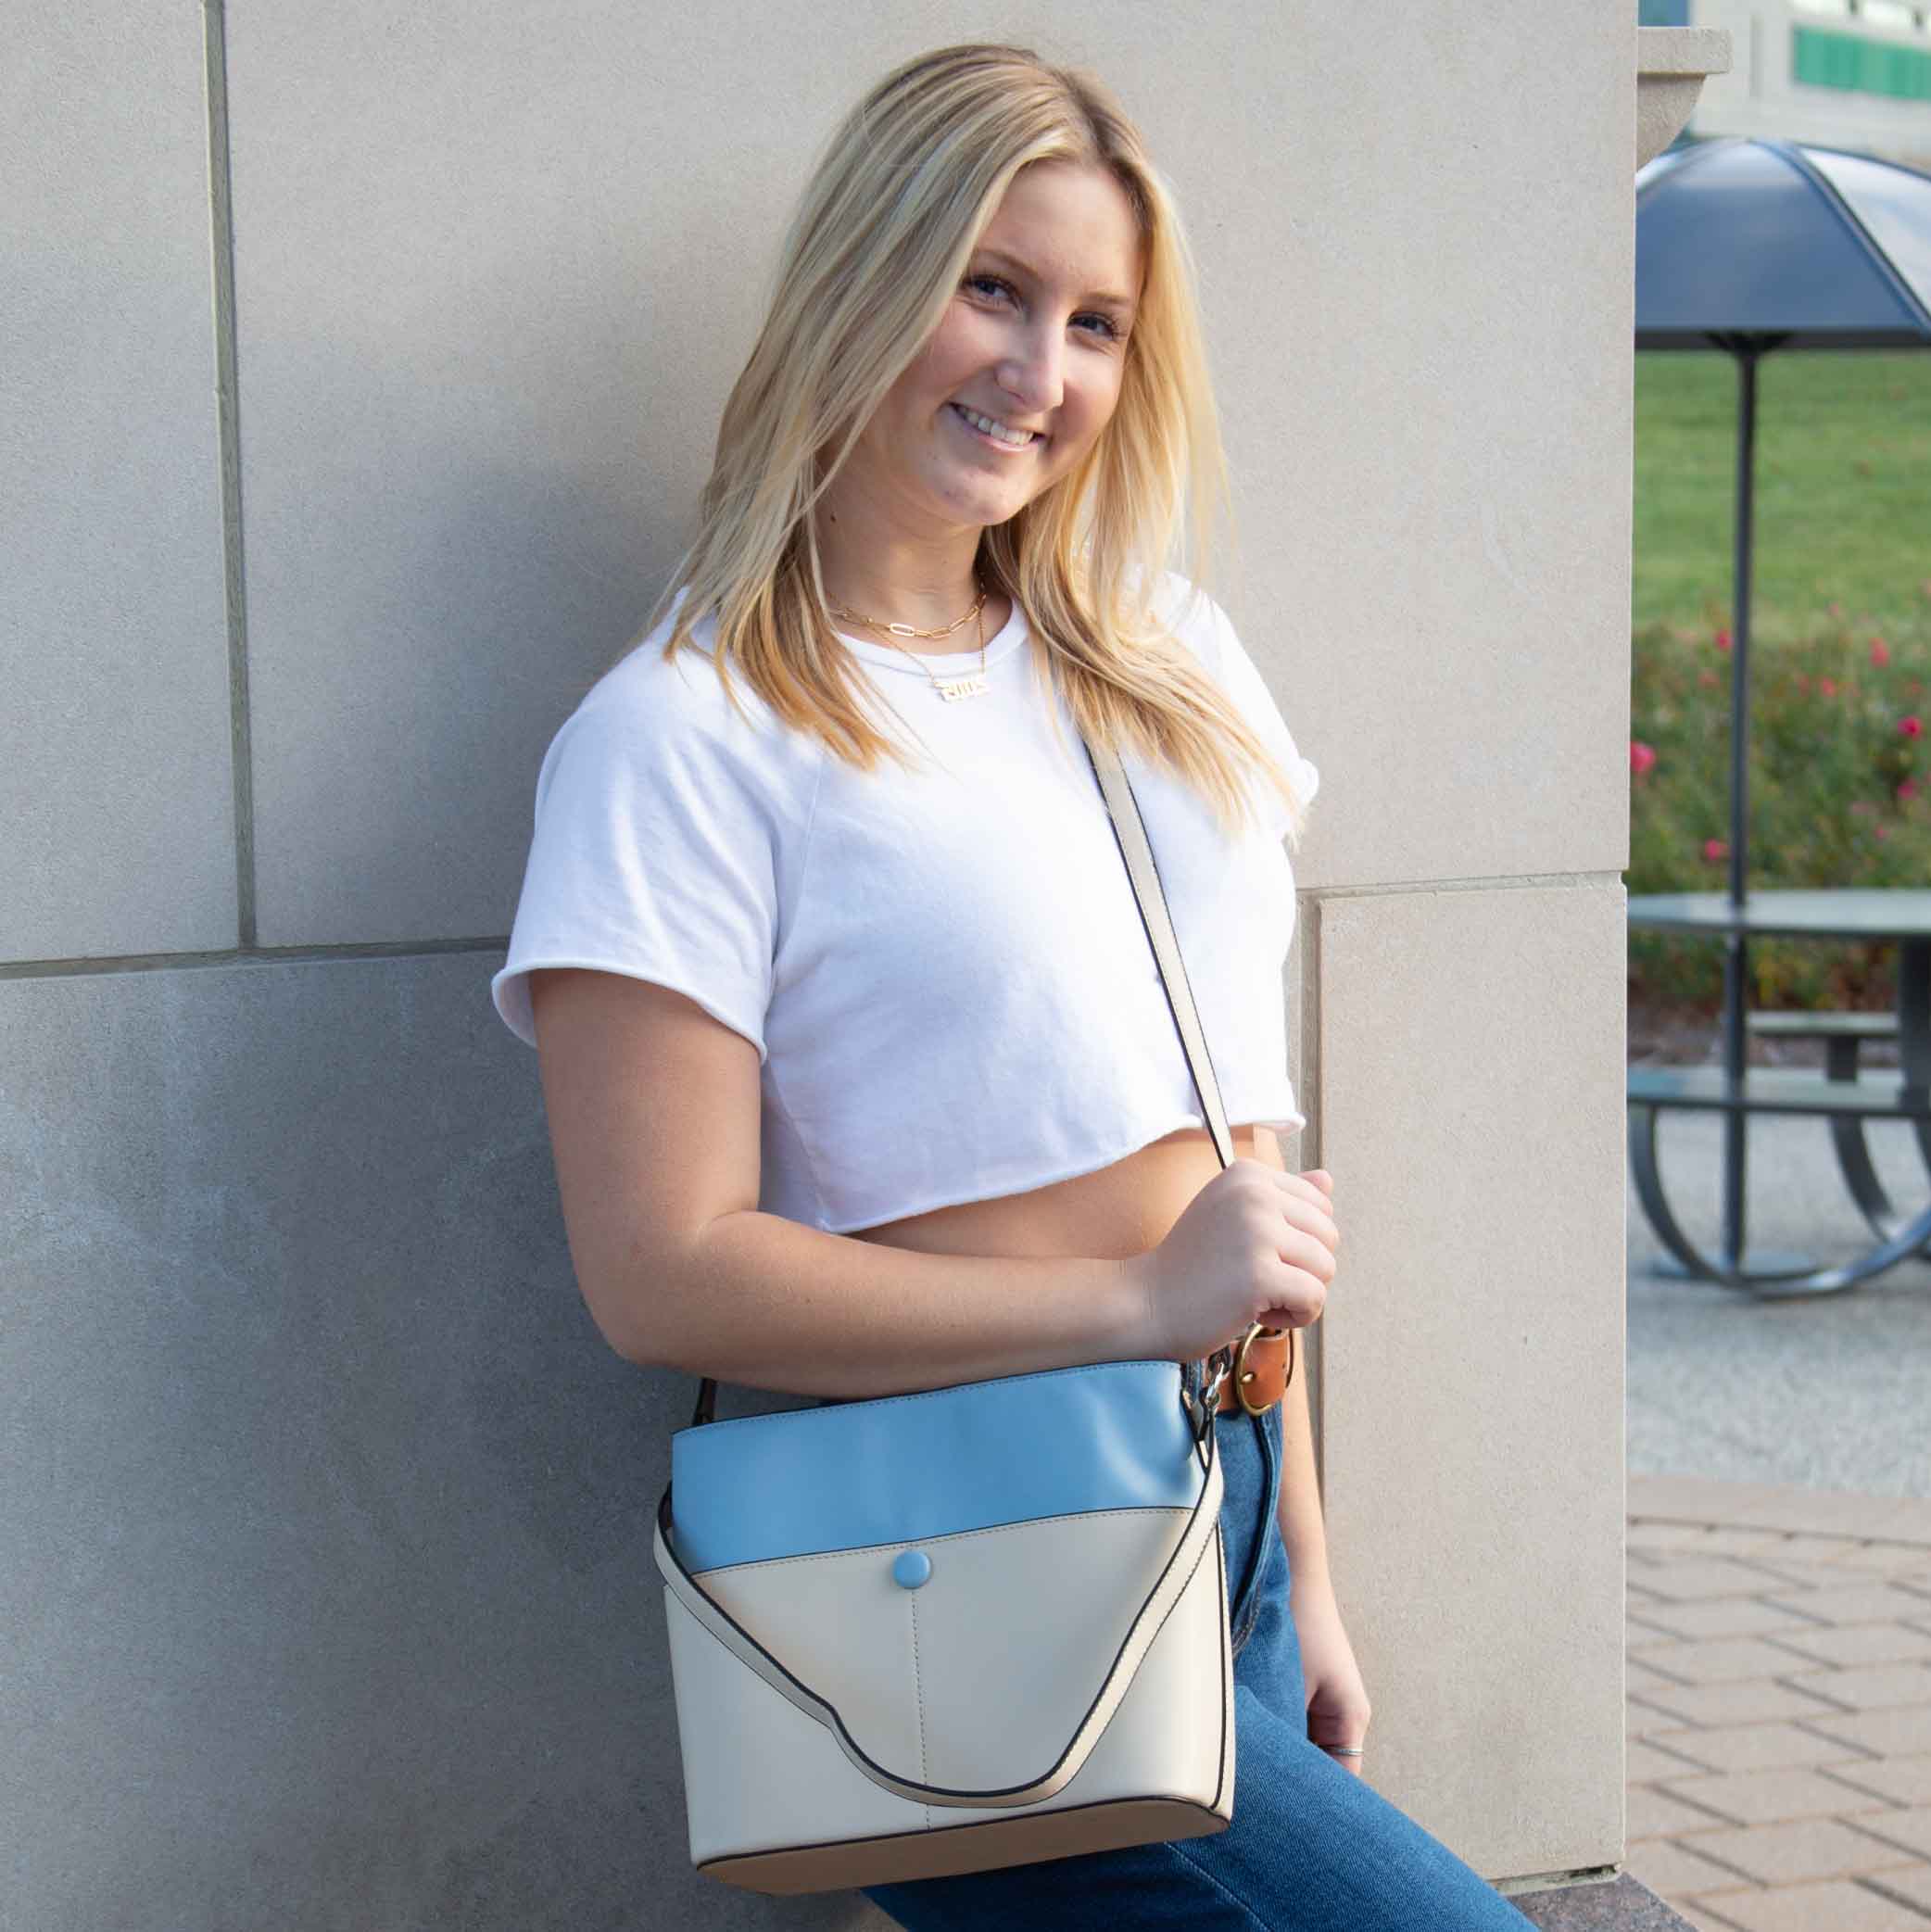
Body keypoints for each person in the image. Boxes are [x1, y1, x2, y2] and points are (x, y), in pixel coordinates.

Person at [489, 40, 1535, 1931]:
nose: (1040, 372)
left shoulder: (1159, 660)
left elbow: (1244, 1156)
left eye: (1096, 324)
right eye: (991, 288)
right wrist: (1140, 1298)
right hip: (965, 1549)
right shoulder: (684, 735)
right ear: (865, 276)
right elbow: (658, 1272)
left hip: (1214, 1488)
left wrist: (1301, 1555)